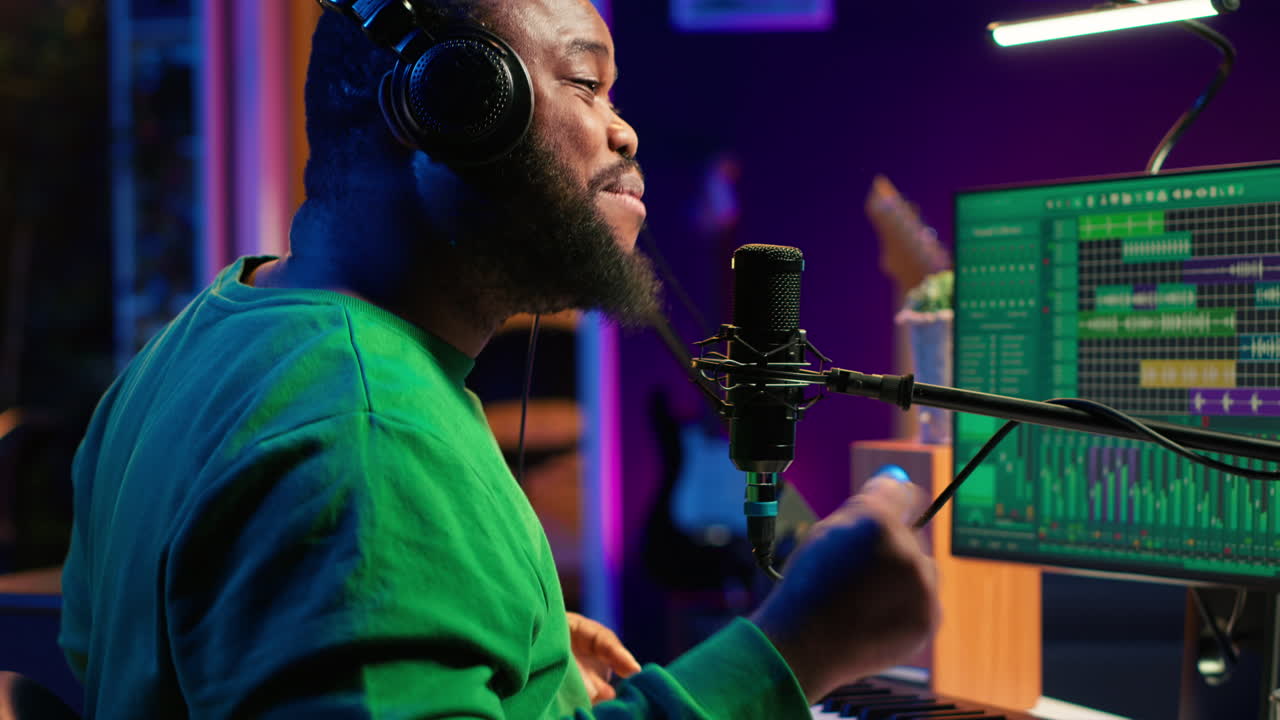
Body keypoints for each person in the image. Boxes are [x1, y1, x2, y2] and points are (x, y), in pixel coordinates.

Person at [58, 0, 940, 717]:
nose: (625, 132)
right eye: (587, 83)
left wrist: (518, 658)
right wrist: (793, 651)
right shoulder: (365, 438)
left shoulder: (203, 340)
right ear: (451, 101)